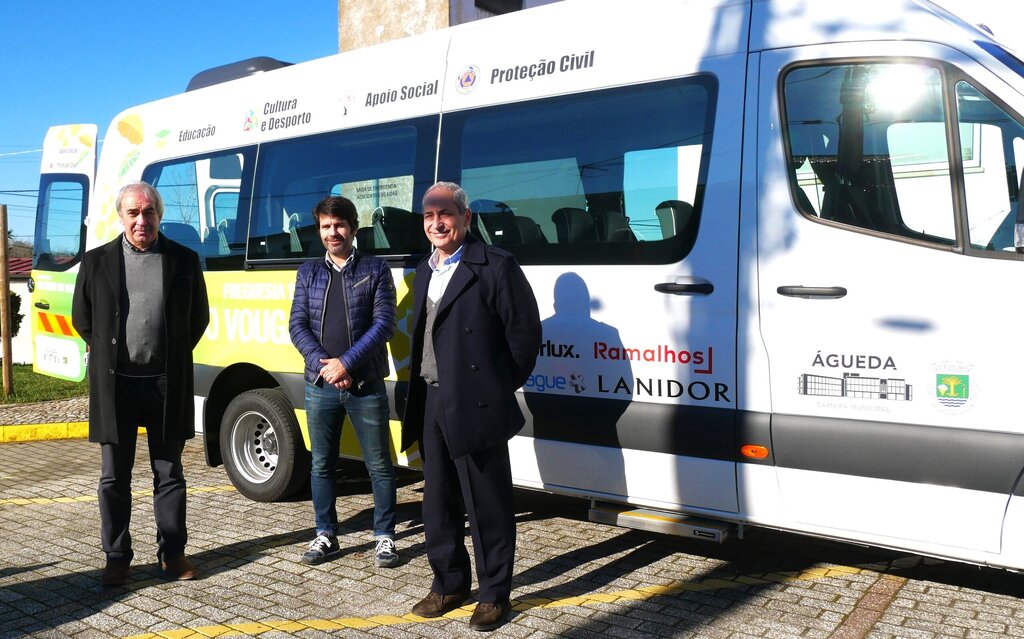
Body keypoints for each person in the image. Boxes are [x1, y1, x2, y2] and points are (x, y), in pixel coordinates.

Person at [401, 182, 541, 631]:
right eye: (428, 216)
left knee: (488, 503)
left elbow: (524, 338)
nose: (436, 223)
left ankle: (494, 594)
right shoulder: (424, 269)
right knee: (437, 501)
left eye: (445, 214)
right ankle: (448, 583)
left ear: (466, 218)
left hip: (476, 401)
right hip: (431, 395)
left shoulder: (495, 266)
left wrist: (494, 390)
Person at [71, 181, 209, 586]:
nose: (141, 220)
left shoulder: (184, 260)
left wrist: (169, 355)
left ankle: (173, 553)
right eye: (133, 213)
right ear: (121, 217)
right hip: (117, 388)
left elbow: (196, 319)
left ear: (159, 216)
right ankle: (117, 556)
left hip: (165, 385)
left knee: (169, 474)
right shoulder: (96, 262)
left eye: (148, 212)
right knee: (114, 477)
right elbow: (84, 319)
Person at [289, 195, 400, 568]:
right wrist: (325, 367)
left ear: (353, 228)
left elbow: (384, 324)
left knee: (379, 465)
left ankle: (384, 537)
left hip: (364, 382)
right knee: (320, 464)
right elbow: (297, 325)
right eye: (325, 226)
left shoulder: (376, 268)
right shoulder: (308, 273)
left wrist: (346, 364)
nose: (332, 232)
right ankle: (325, 533)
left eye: (339, 225)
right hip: (319, 385)